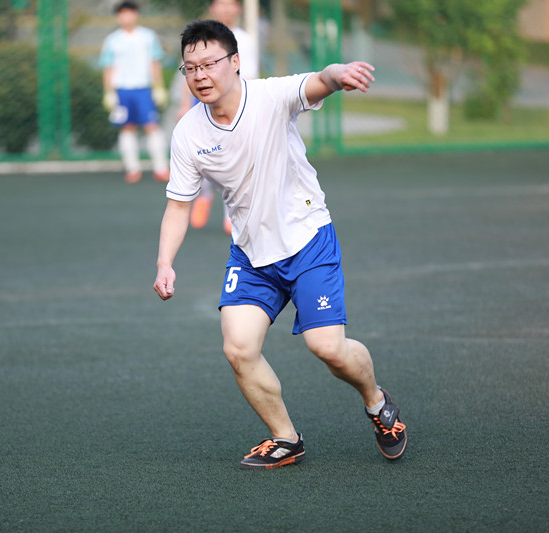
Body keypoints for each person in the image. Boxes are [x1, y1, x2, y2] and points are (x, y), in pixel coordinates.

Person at [153, 19, 407, 469]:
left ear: (235, 62)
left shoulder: (270, 96)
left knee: (328, 348)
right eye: (190, 68)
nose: (200, 75)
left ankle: (377, 403)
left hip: (307, 240)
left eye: (209, 64)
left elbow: (318, 81)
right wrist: (164, 263)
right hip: (252, 255)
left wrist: (338, 74)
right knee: (238, 348)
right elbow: (178, 206)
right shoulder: (189, 133)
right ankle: (285, 438)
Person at [176, 0, 258, 234]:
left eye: (230, 3)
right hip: (201, 103)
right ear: (212, 7)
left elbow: (249, 76)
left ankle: (230, 213)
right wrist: (184, 105)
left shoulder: (245, 40)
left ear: (238, 9)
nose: (226, 8)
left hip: (232, 106)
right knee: (200, 154)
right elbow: (188, 72)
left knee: (231, 158)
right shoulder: (197, 37)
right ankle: (204, 195)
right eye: (221, 3)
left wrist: (246, 106)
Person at [99, 1, 170, 184]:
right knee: (127, 127)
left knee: (151, 125)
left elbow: (154, 62)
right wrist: (109, 91)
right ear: (117, 17)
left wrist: (158, 86)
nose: (126, 17)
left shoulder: (148, 37)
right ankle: (132, 168)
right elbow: (108, 67)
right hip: (122, 90)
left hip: (144, 88)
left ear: (136, 15)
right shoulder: (112, 40)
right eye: (122, 13)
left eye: (130, 13)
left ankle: (161, 168)